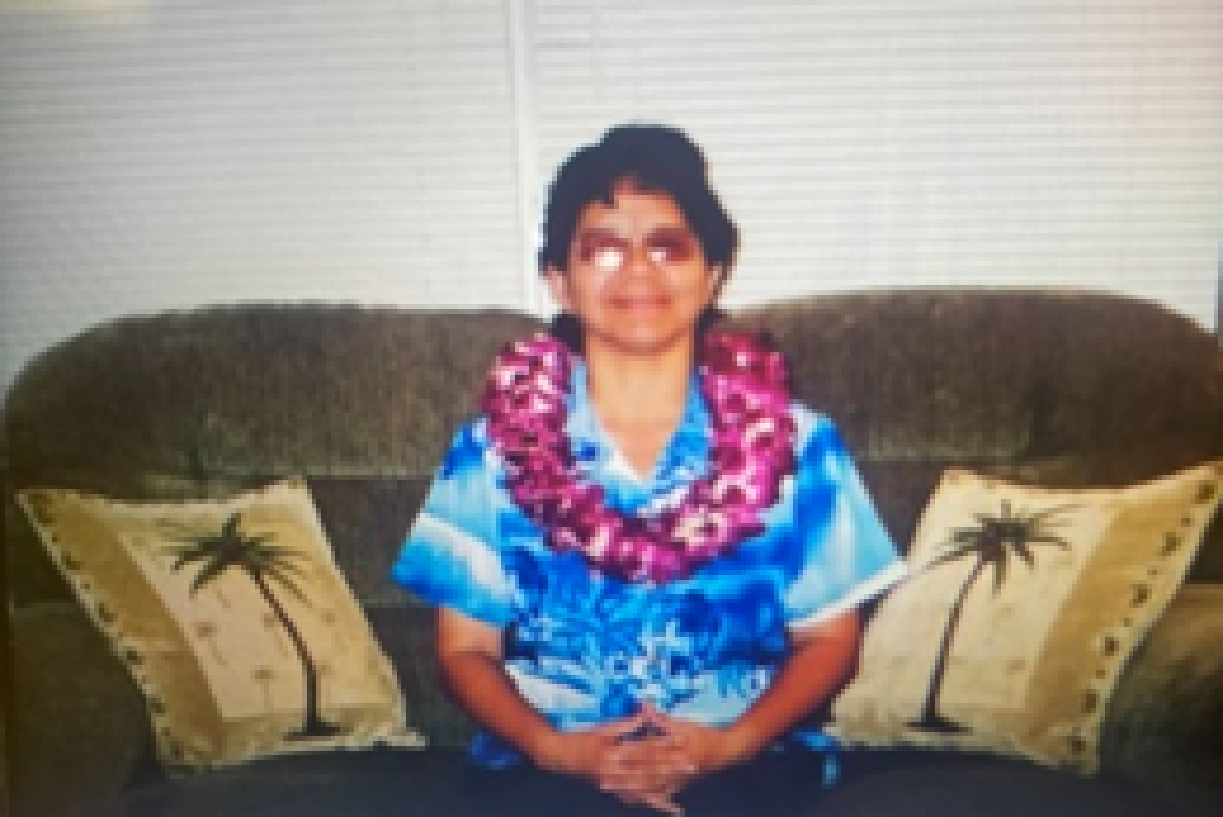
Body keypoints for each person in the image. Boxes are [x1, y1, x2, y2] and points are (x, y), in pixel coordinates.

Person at [391, 123, 906, 816]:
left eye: (667, 246)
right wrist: (557, 749)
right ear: (559, 283)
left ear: (712, 273)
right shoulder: (490, 448)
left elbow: (829, 639)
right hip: (546, 762)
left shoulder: (798, 442)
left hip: (744, 757)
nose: (637, 270)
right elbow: (463, 649)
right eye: (603, 249)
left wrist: (731, 744)